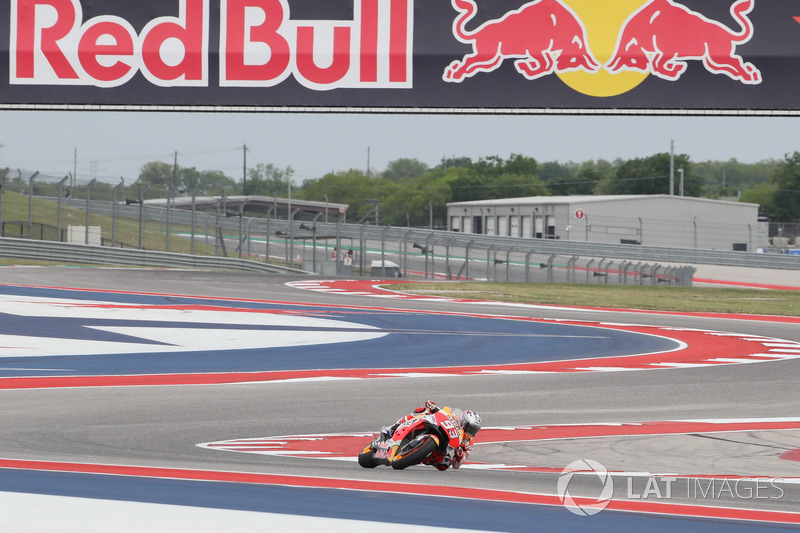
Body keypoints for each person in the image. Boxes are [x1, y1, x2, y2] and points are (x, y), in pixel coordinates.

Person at [380, 400, 481, 471]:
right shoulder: (454, 417)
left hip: (442, 448)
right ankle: (391, 429)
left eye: (474, 430)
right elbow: (443, 413)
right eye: (470, 428)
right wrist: (432, 407)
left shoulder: (468, 444)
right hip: (437, 427)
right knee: (421, 411)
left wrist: (459, 456)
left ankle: (415, 456)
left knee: (445, 464)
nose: (471, 432)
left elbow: (456, 465)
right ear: (463, 421)